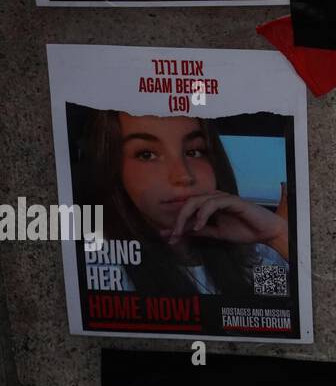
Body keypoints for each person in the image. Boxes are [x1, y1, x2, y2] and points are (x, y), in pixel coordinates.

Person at [80, 110, 290, 296]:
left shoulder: (252, 258)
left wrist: (278, 235)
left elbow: (283, 307)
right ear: (113, 168)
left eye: (194, 152)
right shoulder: (102, 269)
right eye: (147, 155)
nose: (183, 175)